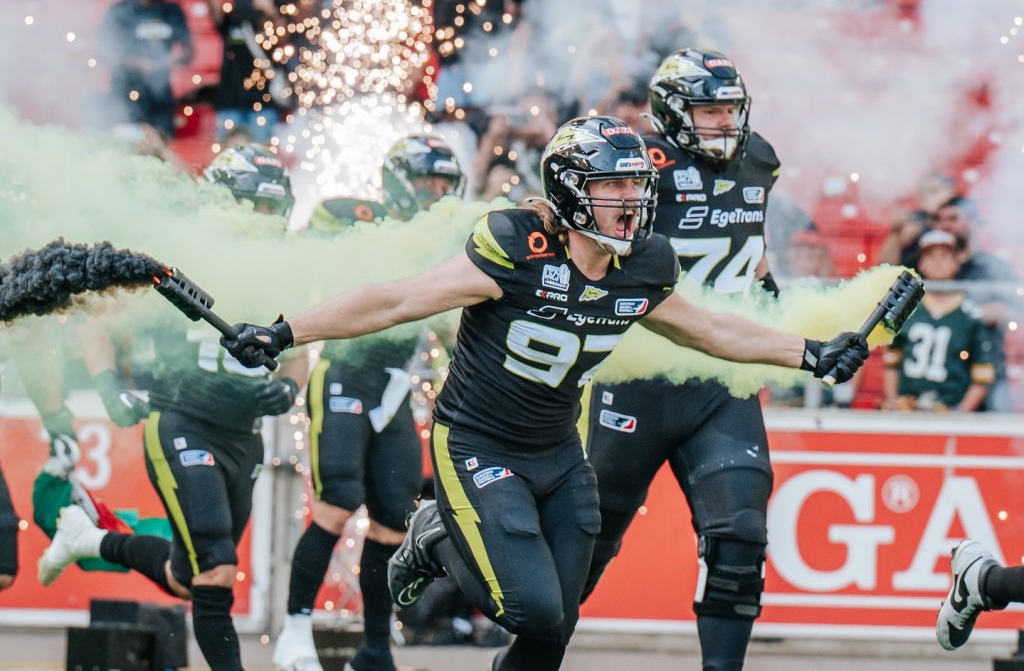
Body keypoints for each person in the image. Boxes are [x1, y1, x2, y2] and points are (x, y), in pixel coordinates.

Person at [219, 115, 869, 671]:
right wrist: (285, 331)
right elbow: (398, 299)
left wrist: (809, 352)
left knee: (554, 625)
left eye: (637, 184)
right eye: (613, 183)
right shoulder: (514, 245)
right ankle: (434, 534)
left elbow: (710, 330)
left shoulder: (643, 263)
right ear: (570, 189)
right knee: (529, 605)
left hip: (559, 451)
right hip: (478, 440)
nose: (631, 199)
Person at [37, 144, 299, 671]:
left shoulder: (281, 268)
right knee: (217, 570)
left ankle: (90, 539)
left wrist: (289, 389)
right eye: (258, 207)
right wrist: (110, 388)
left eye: (274, 208)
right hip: (182, 421)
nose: (267, 220)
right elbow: (99, 324)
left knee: (189, 576)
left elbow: (303, 348)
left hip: (242, 434)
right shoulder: (184, 253)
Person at [579, 48, 787, 671]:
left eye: (729, 109)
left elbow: (752, 245)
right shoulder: (637, 165)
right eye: (708, 110)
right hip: (637, 373)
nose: (723, 123)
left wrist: (769, 300)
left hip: (721, 377)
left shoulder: (760, 159)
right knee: (585, 545)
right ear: (671, 112)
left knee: (741, 538)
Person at [274, 135, 465, 671]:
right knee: (338, 503)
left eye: (445, 186)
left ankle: (376, 648)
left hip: (394, 387)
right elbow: (312, 254)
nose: (437, 195)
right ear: (401, 183)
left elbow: (450, 322)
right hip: (343, 372)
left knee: (390, 520)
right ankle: (294, 632)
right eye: (428, 182)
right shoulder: (355, 215)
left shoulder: (440, 242)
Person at [882, 230, 994, 412]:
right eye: (930, 255)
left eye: (944, 255)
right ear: (921, 262)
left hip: (948, 409)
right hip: (907, 408)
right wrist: (894, 402)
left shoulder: (970, 315)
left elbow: (982, 375)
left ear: (956, 262)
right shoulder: (907, 308)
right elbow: (891, 363)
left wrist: (961, 413)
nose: (937, 261)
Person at [928, 196, 1020, 411]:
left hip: (987, 377)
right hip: (941, 378)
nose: (944, 225)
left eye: (953, 218)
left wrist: (1001, 312)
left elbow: (1019, 308)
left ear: (973, 222)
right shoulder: (927, 268)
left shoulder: (993, 268)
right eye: (939, 219)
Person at [98, 0, 194, 138]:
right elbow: (104, 51)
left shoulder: (172, 11)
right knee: (125, 145)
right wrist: (134, 63)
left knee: (162, 143)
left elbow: (188, 52)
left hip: (160, 98)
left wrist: (162, 62)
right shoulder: (122, 11)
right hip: (125, 95)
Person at [203, 0, 283, 144]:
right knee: (228, 159)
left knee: (260, 156)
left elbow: (284, 39)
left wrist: (270, 11)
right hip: (230, 101)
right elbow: (211, 3)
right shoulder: (229, 21)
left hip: (263, 103)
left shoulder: (268, 22)